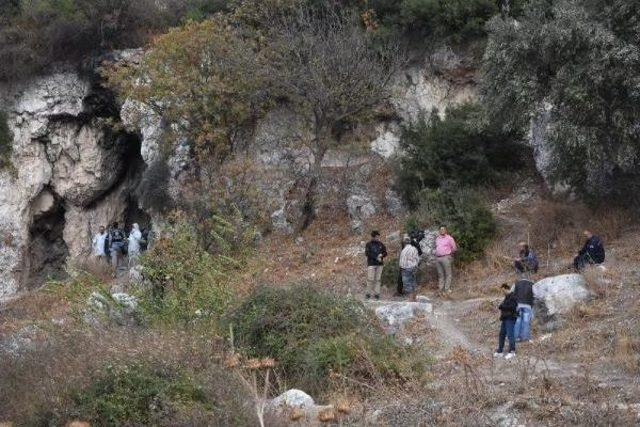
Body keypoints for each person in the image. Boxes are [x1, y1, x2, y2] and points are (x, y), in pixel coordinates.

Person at [494, 283, 518, 359]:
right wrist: (502, 306)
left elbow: (513, 307)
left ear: (506, 288)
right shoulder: (506, 297)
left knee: (510, 335)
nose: (502, 292)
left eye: (503, 290)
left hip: (510, 318)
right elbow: (501, 306)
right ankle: (500, 351)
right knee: (502, 334)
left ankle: (512, 351)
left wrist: (503, 306)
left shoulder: (513, 296)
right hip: (505, 318)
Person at [364, 230, 387, 300]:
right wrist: (376, 257)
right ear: (373, 237)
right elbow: (367, 253)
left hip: (380, 264)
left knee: (378, 279)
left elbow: (385, 253)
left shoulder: (381, 244)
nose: (378, 238)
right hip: (371, 264)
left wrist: (382, 255)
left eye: (378, 237)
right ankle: (368, 294)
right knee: (370, 279)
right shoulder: (368, 244)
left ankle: (377, 294)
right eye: (376, 237)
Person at [435, 226, 457, 292]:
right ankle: (441, 289)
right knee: (440, 274)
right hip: (438, 258)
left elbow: (454, 248)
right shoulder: (437, 238)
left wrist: (449, 254)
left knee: (448, 274)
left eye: (443, 229)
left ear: (446, 230)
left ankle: (447, 289)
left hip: (446, 257)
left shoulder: (449, 238)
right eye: (441, 229)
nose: (442, 230)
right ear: (439, 231)